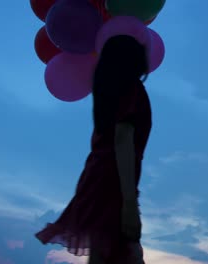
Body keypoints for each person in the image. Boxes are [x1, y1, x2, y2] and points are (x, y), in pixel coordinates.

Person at [35, 35, 152, 264]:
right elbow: (123, 141)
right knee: (125, 255)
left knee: (109, 255)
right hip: (112, 185)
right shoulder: (131, 90)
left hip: (97, 180)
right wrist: (129, 203)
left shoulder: (109, 93)